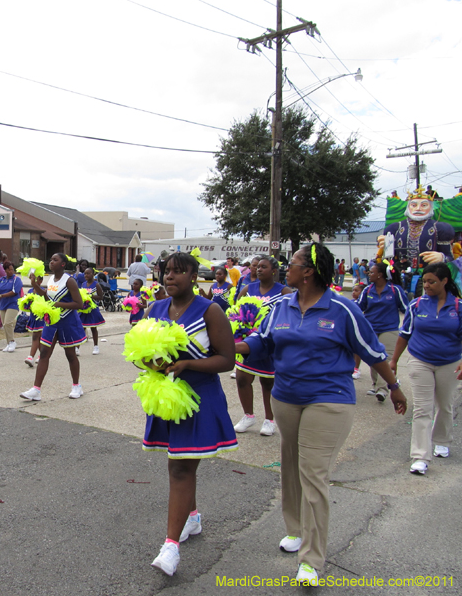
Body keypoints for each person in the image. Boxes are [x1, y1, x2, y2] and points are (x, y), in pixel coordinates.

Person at [235, 243, 406, 586]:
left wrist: (394, 386)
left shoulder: (342, 308)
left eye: (294, 263)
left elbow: (372, 351)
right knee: (290, 466)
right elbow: (262, 341)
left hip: (329, 400)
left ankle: (311, 560)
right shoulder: (281, 306)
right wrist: (229, 346)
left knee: (313, 473)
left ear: (309, 271)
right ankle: (295, 530)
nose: (287, 267)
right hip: (286, 398)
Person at [142, 252, 237, 577]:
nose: (169, 277)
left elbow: (227, 359)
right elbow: (140, 354)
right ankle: (191, 518)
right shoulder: (155, 309)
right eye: (166, 271)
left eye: (178, 272)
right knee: (181, 462)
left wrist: (188, 364)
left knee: (180, 468)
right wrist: (148, 362)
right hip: (168, 399)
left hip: (199, 399)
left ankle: (170, 548)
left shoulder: (210, 310)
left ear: (194, 276)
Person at [390, 262, 462, 475]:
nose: (427, 285)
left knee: (445, 405)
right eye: (425, 281)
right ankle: (420, 456)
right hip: (420, 361)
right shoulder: (417, 305)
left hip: (449, 363)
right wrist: (394, 361)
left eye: (432, 282)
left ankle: (441, 440)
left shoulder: (458, 306)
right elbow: (405, 334)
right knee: (422, 409)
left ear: (445, 281)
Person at [232, 256, 292, 436]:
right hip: (248, 341)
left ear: (274, 271)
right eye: (257, 266)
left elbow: (291, 315)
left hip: (270, 342)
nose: (258, 269)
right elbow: (235, 311)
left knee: (267, 382)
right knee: (242, 378)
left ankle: (269, 420)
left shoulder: (284, 291)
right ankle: (248, 416)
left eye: (263, 267)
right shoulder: (248, 289)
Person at [20, 253, 86, 401]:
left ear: (63, 264)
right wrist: (35, 285)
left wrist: (57, 304)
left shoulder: (69, 281)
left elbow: (79, 304)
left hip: (67, 321)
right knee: (44, 353)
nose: (51, 262)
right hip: (52, 321)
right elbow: (47, 298)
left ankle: (76, 386)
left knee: (70, 355)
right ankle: (36, 390)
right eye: (51, 260)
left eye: (55, 260)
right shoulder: (51, 279)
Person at [377, 186, 454, 297]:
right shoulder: (395, 228)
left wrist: (442, 257)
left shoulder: (440, 228)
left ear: (431, 207)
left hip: (429, 274)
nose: (418, 209)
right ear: (408, 207)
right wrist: (386, 246)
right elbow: (388, 259)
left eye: (424, 205)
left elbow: (450, 257)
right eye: (414, 205)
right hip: (400, 271)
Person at [358, 260, 408, 401]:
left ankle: (382, 389)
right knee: (374, 358)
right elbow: (359, 307)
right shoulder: (367, 290)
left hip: (389, 329)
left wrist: (409, 327)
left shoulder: (395, 290)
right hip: (371, 329)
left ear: (380, 275)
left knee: (386, 359)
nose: (369, 274)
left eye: (372, 272)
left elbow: (406, 309)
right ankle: (376, 385)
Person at [0, 261, 23, 353]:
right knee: (5, 325)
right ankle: (8, 343)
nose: (11, 271)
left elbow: (14, 292)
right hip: (3, 304)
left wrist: (1, 296)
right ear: (5, 270)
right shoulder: (1, 280)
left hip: (13, 304)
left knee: (8, 323)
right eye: (9, 270)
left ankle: (12, 342)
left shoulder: (16, 279)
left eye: (12, 269)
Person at [79, 267, 105, 354]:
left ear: (93, 274)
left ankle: (96, 346)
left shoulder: (96, 285)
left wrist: (90, 296)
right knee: (81, 328)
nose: (86, 275)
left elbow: (100, 297)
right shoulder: (83, 284)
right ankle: (77, 348)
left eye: (88, 273)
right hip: (83, 310)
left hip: (92, 309)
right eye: (85, 273)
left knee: (93, 328)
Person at [23, 285, 45, 368]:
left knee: (37, 337)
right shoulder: (30, 291)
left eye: (36, 279)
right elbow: (28, 307)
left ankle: (31, 356)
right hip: (33, 317)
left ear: (40, 281)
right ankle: (41, 356)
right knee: (38, 338)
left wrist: (37, 295)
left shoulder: (43, 291)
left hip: (41, 318)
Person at [350, 283, 364, 380]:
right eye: (353, 290)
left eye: (357, 291)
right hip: (351, 328)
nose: (353, 292)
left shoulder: (364, 304)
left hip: (359, 328)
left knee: (357, 350)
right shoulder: (351, 302)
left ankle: (356, 368)